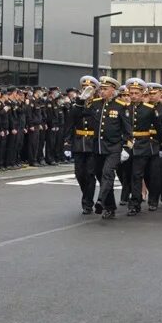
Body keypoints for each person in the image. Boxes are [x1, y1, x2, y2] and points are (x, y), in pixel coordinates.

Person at [79, 76, 131, 220]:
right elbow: (78, 115)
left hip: (114, 147)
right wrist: (80, 100)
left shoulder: (121, 106)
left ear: (113, 90)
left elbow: (128, 131)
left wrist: (126, 148)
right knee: (100, 176)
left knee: (108, 173)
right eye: (101, 89)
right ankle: (110, 207)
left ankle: (101, 201)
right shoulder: (95, 104)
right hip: (97, 147)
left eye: (105, 89)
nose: (102, 91)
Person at [119, 78, 161, 216]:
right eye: (131, 93)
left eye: (137, 93)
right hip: (129, 145)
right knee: (131, 174)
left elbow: (158, 128)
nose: (133, 95)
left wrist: (161, 144)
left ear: (143, 93)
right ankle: (134, 201)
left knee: (143, 174)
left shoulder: (149, 109)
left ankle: (145, 200)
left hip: (144, 144)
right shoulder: (124, 109)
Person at [64, 76, 98, 214]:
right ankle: (87, 196)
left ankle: (87, 203)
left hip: (93, 142)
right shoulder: (77, 105)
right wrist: (67, 143)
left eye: (89, 89)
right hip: (79, 142)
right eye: (84, 89)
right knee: (79, 174)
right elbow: (70, 123)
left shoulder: (98, 104)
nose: (86, 91)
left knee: (90, 174)